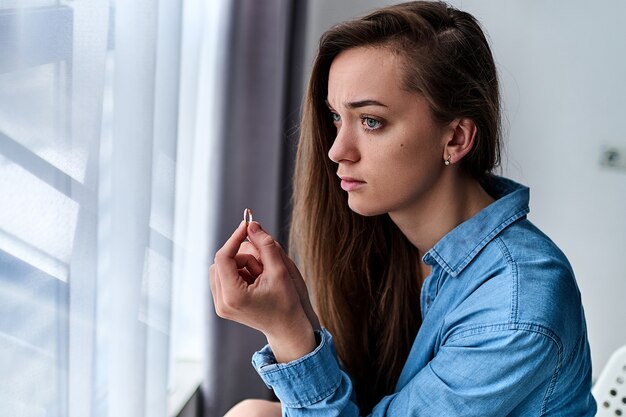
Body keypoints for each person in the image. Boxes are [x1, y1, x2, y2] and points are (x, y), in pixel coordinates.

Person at [209, 1, 596, 416]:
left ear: (455, 139)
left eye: (372, 121)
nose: (337, 150)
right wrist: (297, 309)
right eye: (337, 118)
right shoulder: (391, 241)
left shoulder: (514, 307)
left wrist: (285, 328)